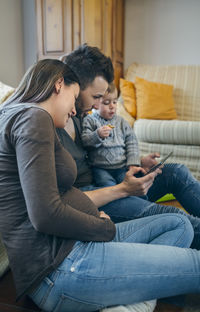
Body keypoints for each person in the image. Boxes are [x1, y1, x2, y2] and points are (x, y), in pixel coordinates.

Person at [0, 59, 200, 312]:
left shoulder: (22, 115)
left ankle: (132, 293)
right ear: (59, 84)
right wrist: (102, 227)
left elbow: (54, 197)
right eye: (74, 98)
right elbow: (45, 215)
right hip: (61, 267)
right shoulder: (34, 117)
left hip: (75, 246)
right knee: (195, 265)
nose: (74, 110)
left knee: (178, 224)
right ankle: (138, 289)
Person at [59, 44, 200, 252]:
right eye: (96, 97)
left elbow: (98, 151)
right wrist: (123, 189)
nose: (99, 105)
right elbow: (62, 202)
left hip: (113, 182)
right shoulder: (53, 126)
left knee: (176, 172)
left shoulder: (81, 114)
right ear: (75, 86)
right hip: (96, 197)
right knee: (178, 219)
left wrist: (135, 161)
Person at [81, 82, 140, 187]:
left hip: (121, 167)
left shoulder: (121, 122)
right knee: (108, 186)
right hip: (100, 168)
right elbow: (85, 141)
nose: (112, 106)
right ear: (96, 104)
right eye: (106, 102)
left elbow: (132, 142)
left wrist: (133, 163)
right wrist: (97, 135)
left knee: (130, 185)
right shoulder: (89, 120)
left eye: (115, 102)